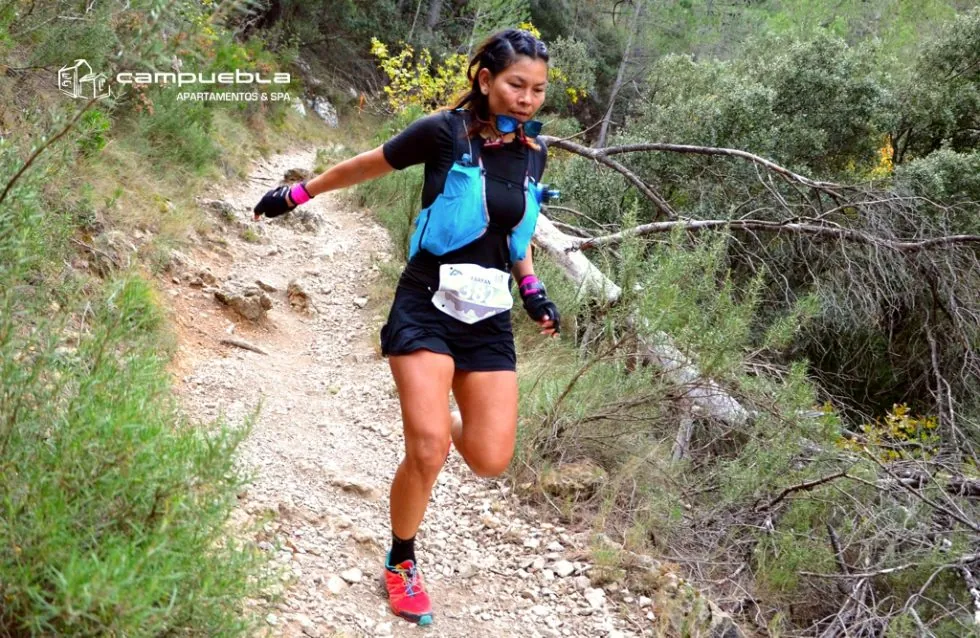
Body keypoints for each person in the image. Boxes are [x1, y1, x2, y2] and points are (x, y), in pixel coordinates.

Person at [253, 28, 561, 626]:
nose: (527, 98)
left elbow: (513, 236)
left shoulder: (534, 152)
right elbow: (366, 165)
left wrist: (533, 291)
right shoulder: (443, 131)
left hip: (488, 316)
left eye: (538, 90)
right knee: (427, 451)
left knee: (491, 458)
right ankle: (401, 561)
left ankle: (443, 421)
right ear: (486, 79)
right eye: (516, 85)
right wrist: (298, 193)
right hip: (426, 301)